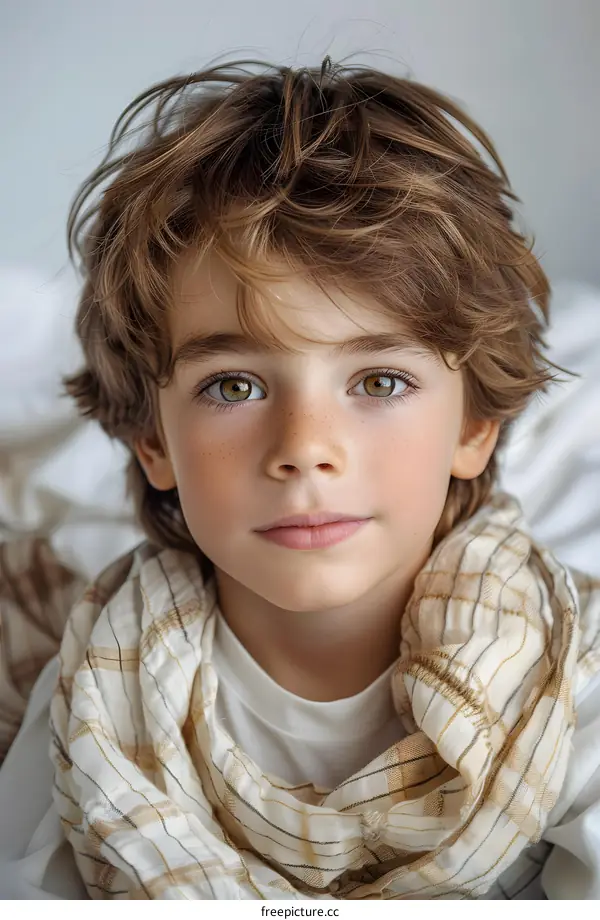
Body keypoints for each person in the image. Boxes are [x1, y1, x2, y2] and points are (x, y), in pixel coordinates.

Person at [1, 57, 600, 900]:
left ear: (474, 425)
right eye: (233, 387)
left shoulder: (570, 673)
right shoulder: (101, 677)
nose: (305, 448)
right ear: (152, 438)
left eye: (379, 381)